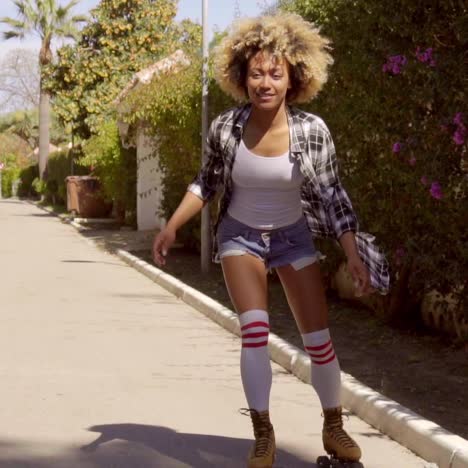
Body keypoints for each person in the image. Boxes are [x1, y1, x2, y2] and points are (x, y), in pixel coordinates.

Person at [153, 13, 389, 468]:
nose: (265, 81)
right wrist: (171, 225)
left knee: (318, 339)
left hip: (293, 237)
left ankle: (333, 426)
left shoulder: (312, 132)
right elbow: (206, 183)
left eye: (275, 73)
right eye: (256, 72)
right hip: (240, 237)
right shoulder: (226, 128)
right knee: (255, 333)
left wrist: (353, 256)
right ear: (242, 77)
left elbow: (334, 196)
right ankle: (263, 434)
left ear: (293, 78)